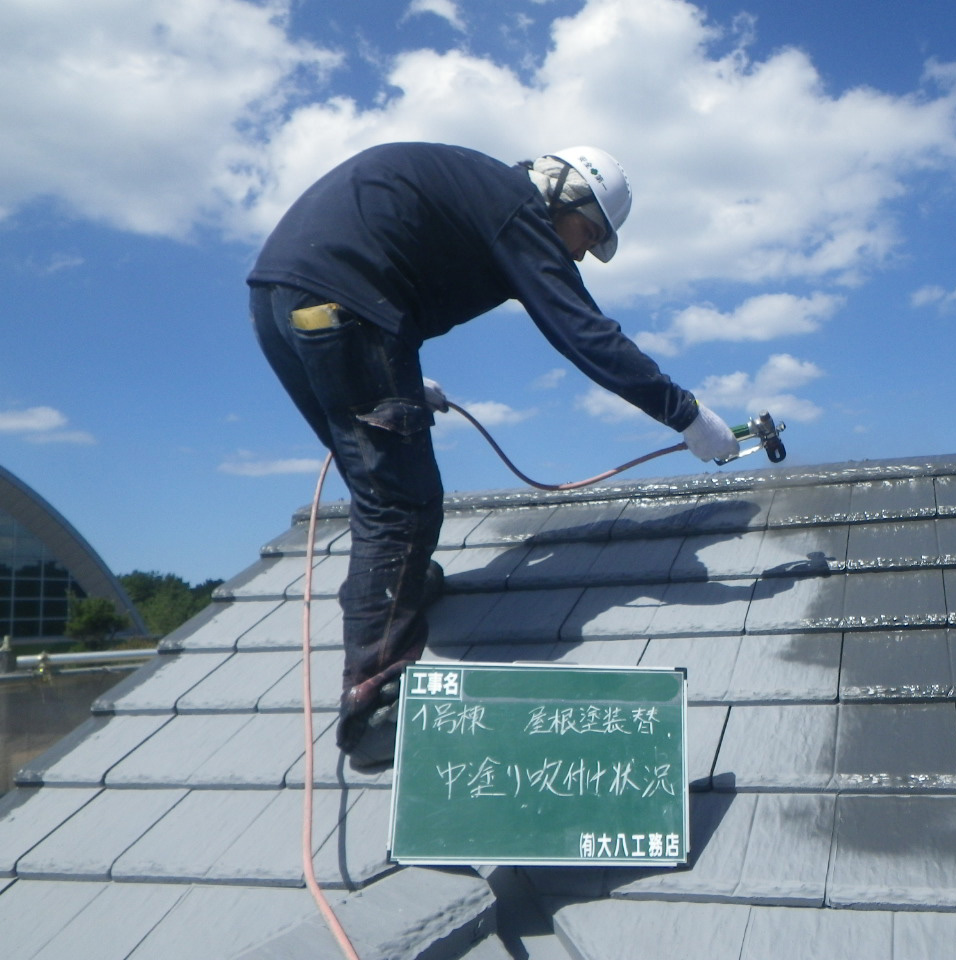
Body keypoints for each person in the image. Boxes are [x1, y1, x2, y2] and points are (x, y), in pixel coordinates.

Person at [247, 142, 739, 770]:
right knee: (399, 502)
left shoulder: (477, 193)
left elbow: (382, 260)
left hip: (282, 303)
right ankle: (375, 704)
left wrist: (395, 375)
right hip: (343, 308)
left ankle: (402, 588)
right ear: (563, 195)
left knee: (378, 483)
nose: (583, 252)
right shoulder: (517, 209)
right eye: (587, 233)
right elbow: (582, 330)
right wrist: (687, 415)